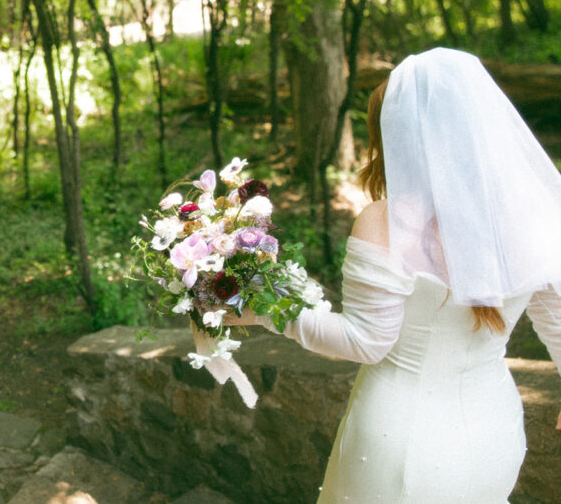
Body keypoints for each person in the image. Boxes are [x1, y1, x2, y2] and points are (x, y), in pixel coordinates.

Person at [233, 48, 561, 501]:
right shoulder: (536, 219)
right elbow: (556, 321)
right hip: (493, 429)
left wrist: (268, 309)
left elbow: (367, 342)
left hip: (399, 437)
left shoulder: (385, 221)